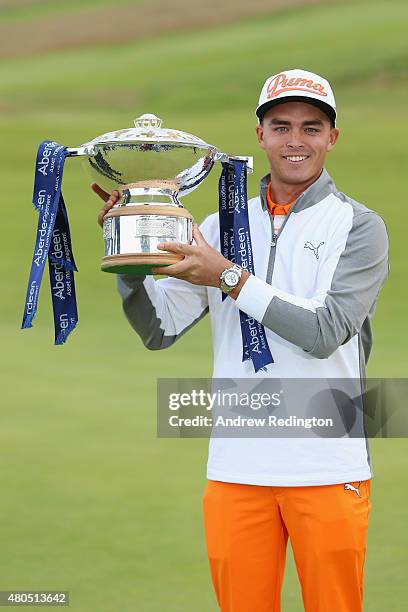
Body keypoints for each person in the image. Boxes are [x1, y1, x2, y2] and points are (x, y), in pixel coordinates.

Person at [93, 69, 389, 612]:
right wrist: (131, 259)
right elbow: (159, 330)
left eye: (311, 127)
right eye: (281, 126)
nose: (295, 140)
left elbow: (324, 333)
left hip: (327, 468)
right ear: (261, 135)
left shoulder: (359, 227)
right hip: (236, 469)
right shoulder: (220, 223)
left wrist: (228, 276)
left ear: (332, 137)